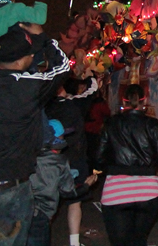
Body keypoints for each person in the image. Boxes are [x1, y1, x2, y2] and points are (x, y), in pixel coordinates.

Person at [0, 23, 71, 246]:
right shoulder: (25, 87)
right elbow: (63, 67)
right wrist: (45, 39)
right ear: (19, 62)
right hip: (8, 190)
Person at [95, 84, 158, 246]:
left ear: (123, 101)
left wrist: (108, 169)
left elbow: (99, 157)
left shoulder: (111, 124)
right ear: (144, 101)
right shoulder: (153, 125)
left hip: (116, 192)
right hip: (147, 191)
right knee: (139, 240)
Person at [46, 75, 98, 246]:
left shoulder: (43, 107)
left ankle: (40, 237)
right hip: (74, 159)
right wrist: (91, 75)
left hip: (48, 160)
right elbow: (93, 89)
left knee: (46, 202)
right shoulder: (75, 104)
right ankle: (74, 242)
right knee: (75, 202)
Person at [28, 120, 97, 246]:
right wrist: (87, 185)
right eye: (62, 135)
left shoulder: (30, 155)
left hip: (22, 208)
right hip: (41, 212)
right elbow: (69, 193)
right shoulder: (58, 162)